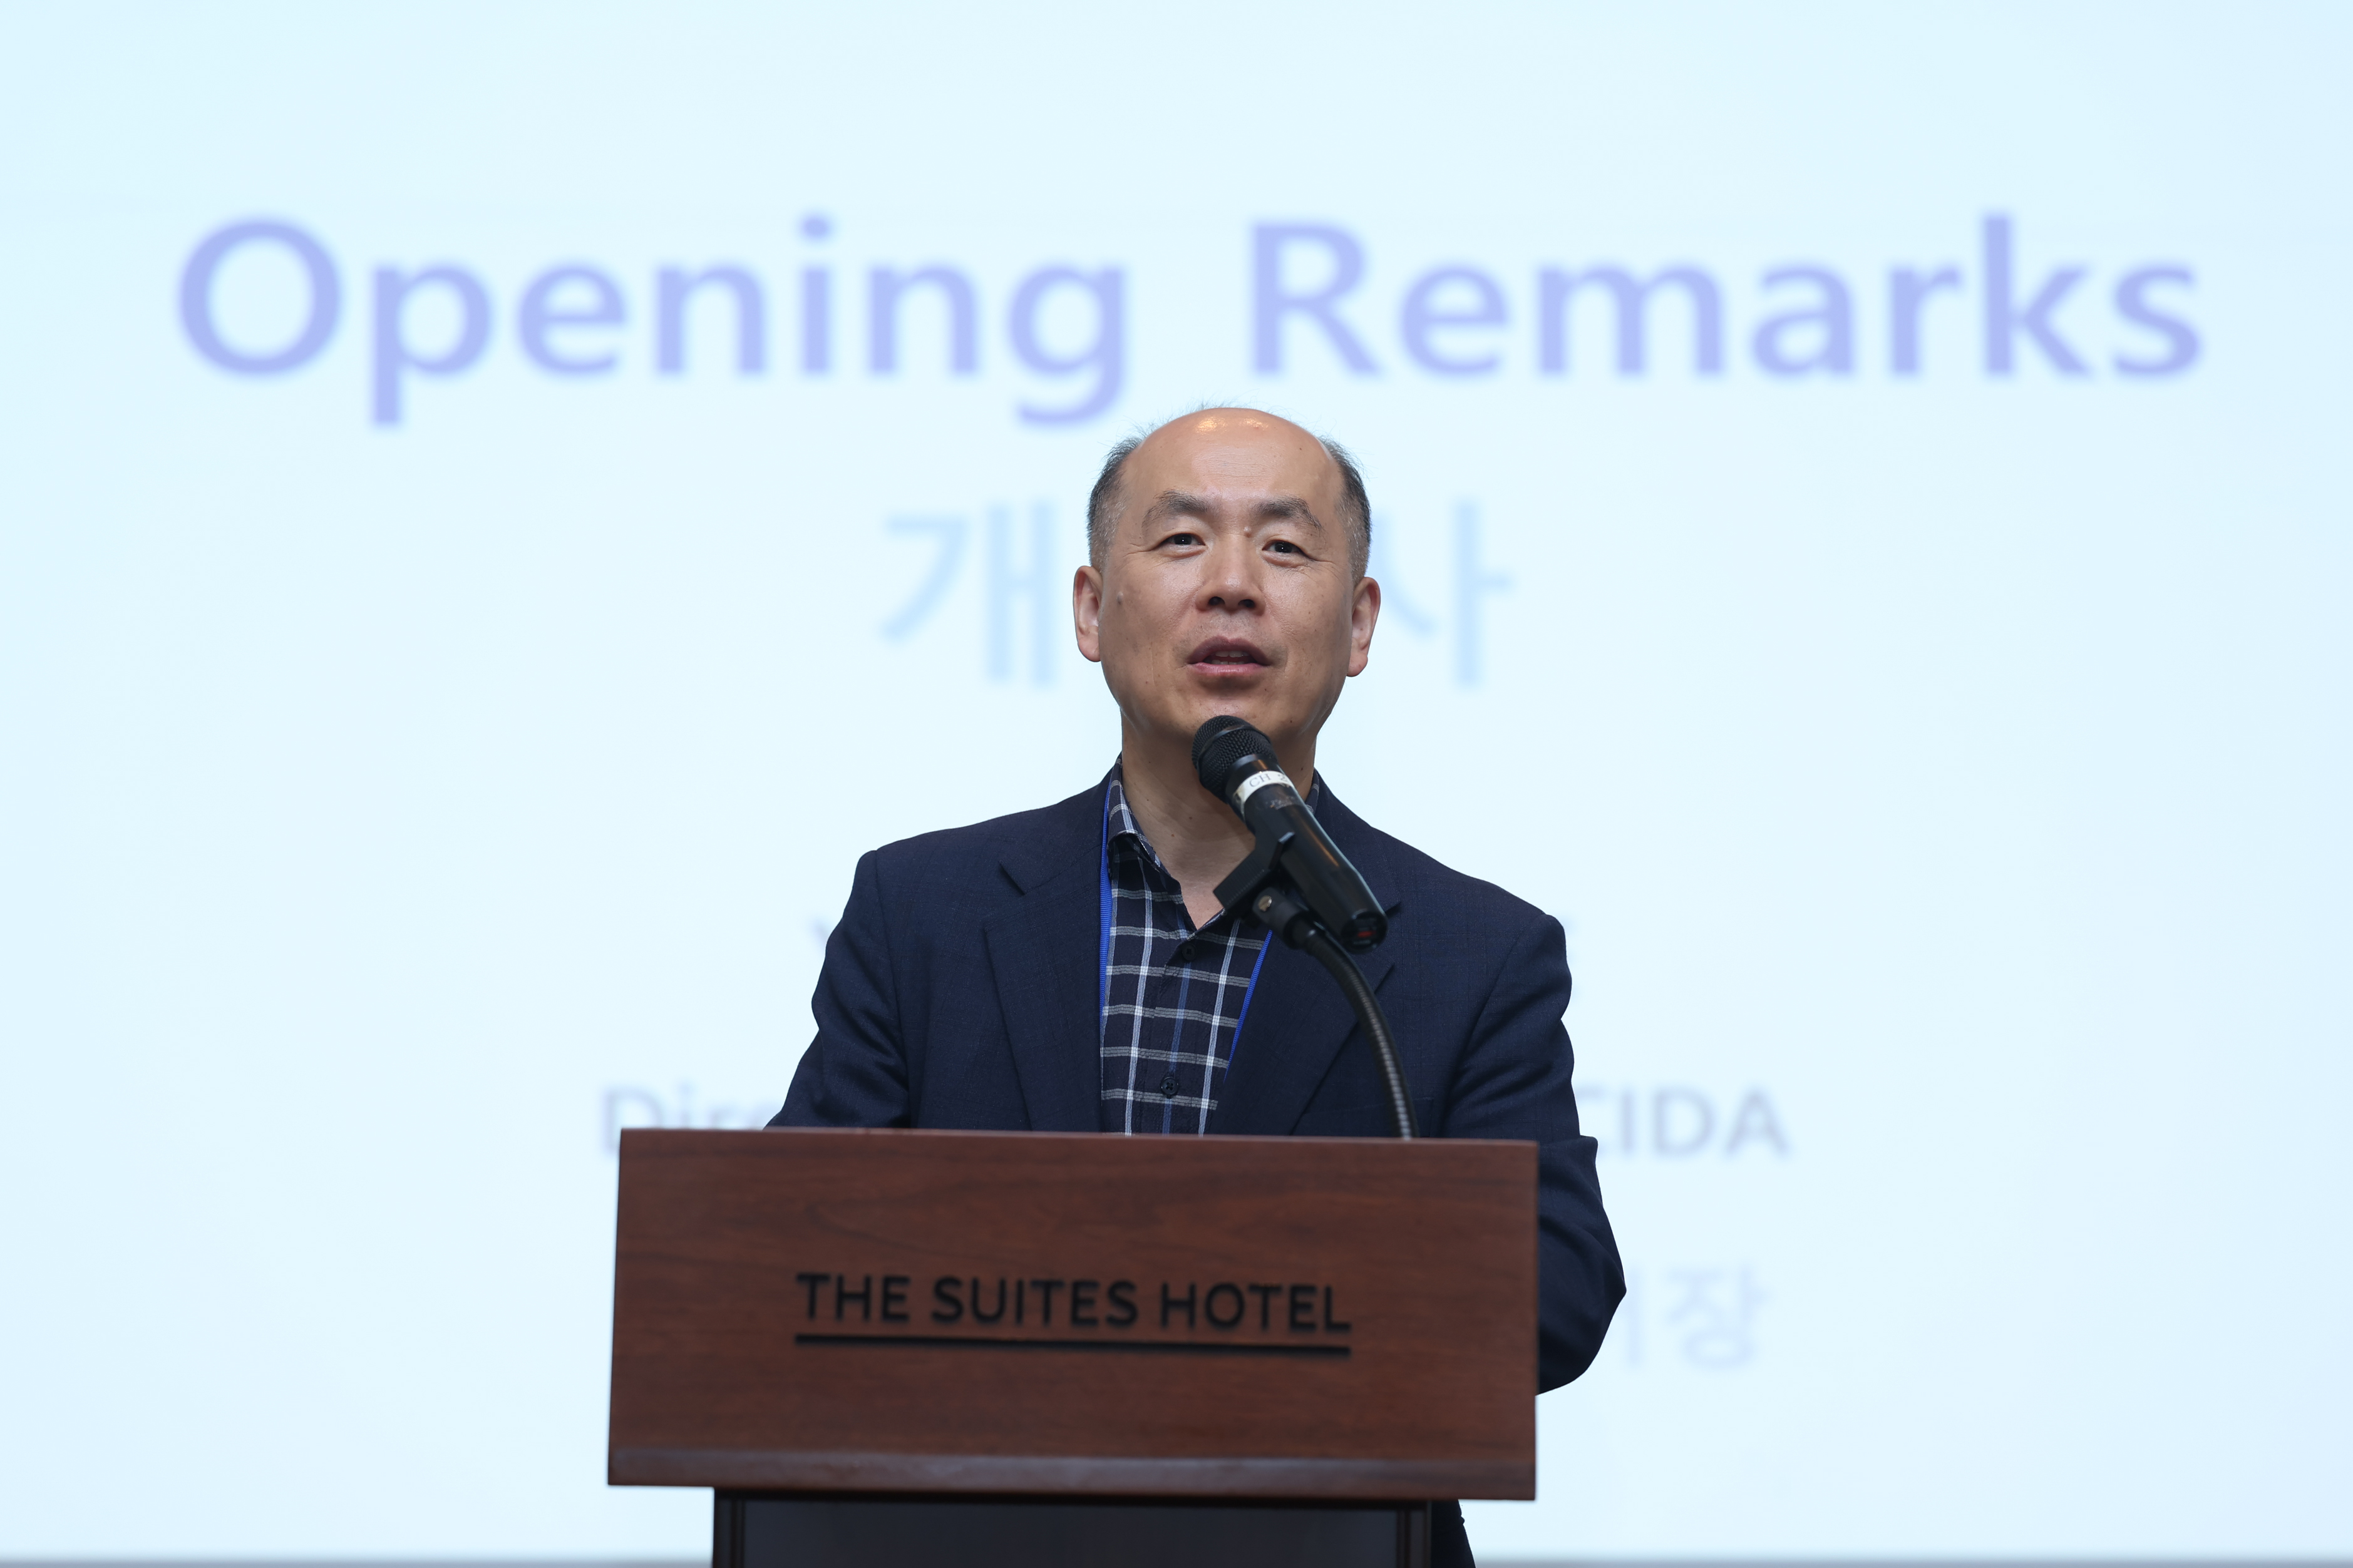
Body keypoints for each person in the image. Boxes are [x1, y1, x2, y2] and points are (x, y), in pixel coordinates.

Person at [774, 407, 1623, 1567]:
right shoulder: (922, 908)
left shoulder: (1474, 951)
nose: (1231, 584)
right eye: (1181, 540)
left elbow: (1557, 1292)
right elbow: (786, 1257)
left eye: (1284, 547)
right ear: (1090, 609)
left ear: (1359, 623)